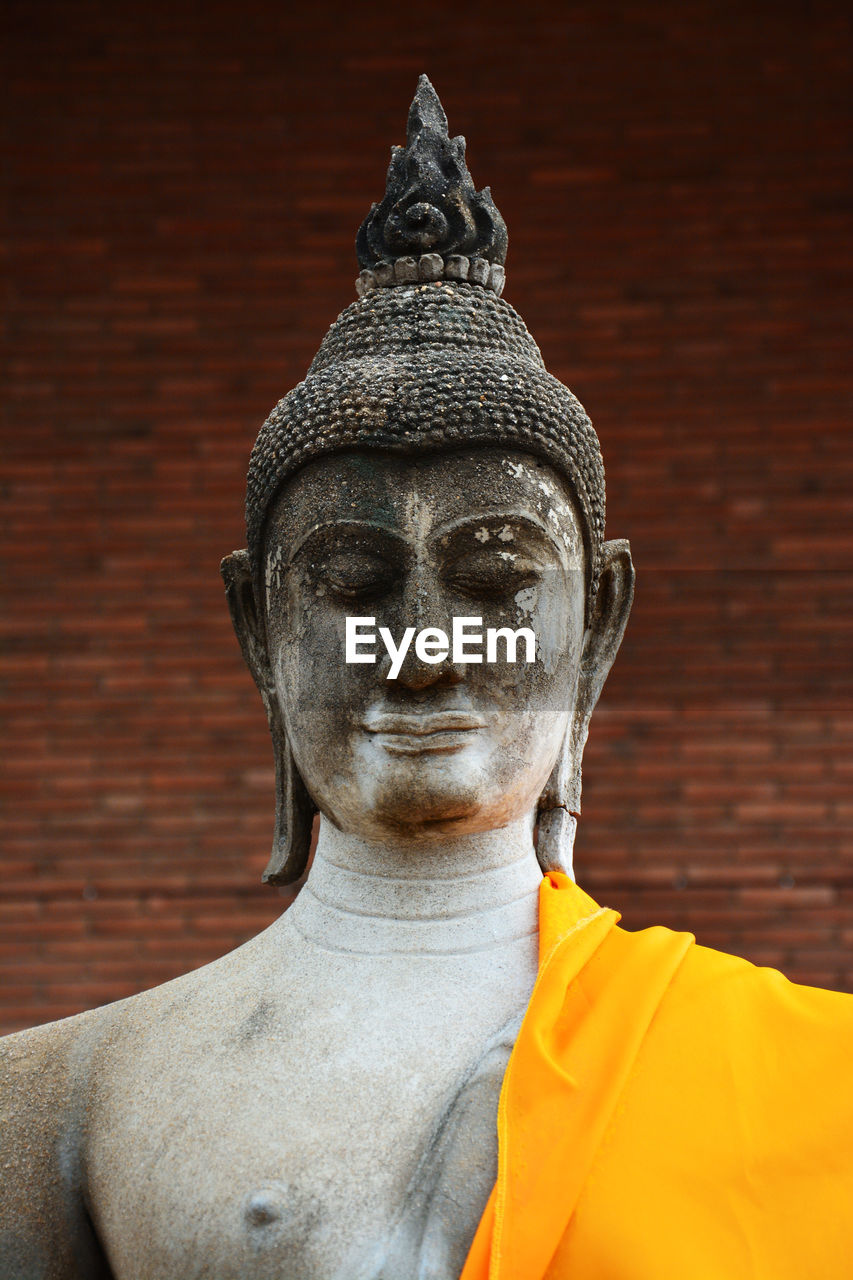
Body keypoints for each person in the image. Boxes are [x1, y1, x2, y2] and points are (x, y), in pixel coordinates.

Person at [2, 76, 852, 1280]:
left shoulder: (816, 1081)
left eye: (497, 580)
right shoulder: (61, 1101)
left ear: (596, 620)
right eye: (350, 583)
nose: (427, 645)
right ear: (259, 626)